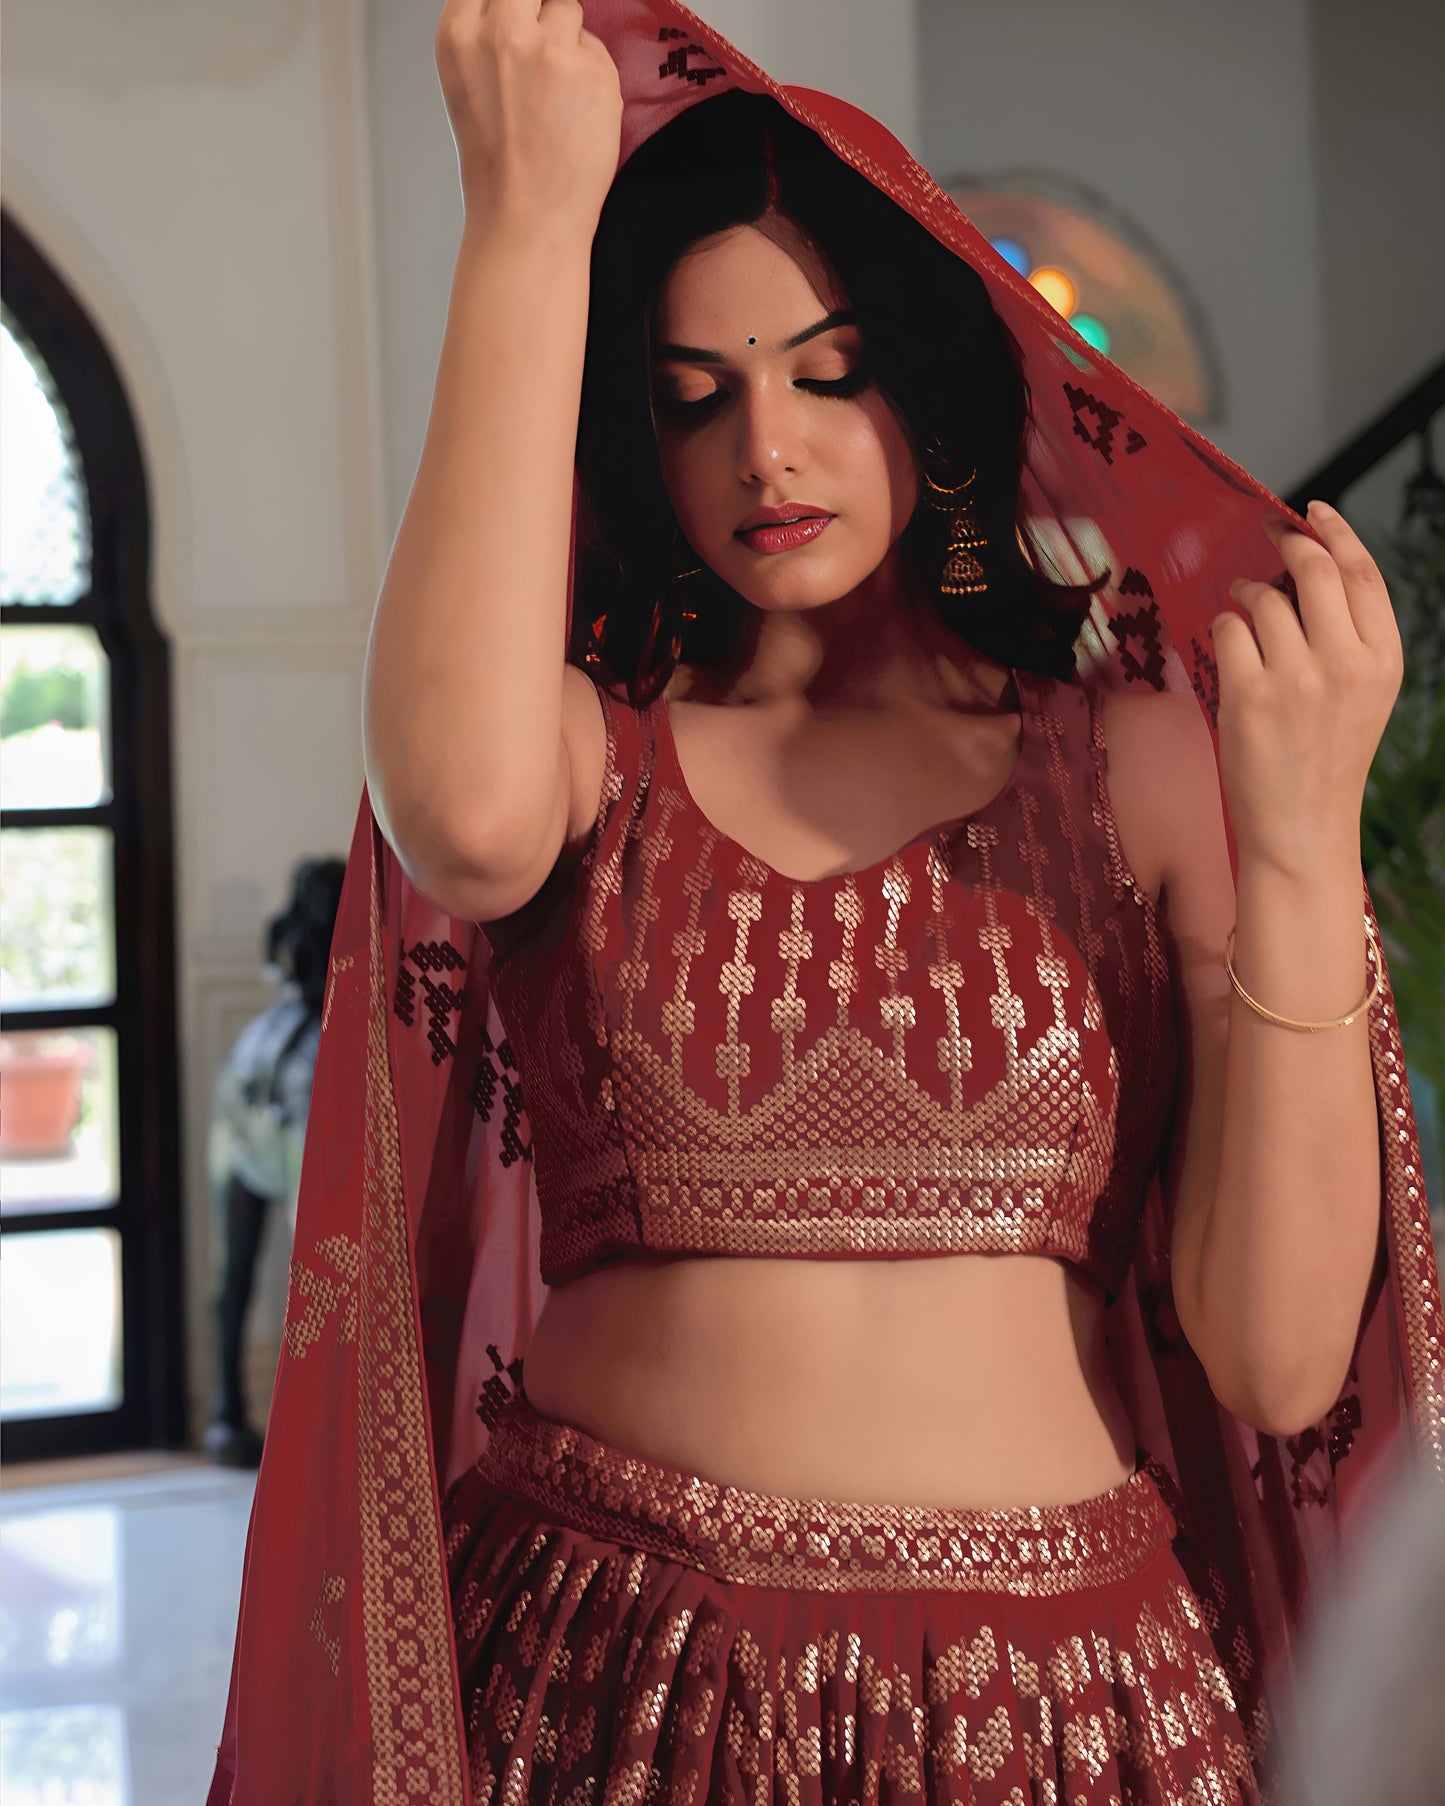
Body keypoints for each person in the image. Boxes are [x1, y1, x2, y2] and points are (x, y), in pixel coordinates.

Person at [206, 3, 1445, 1802]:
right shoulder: (590, 759)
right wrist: (525, 219)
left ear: (930, 382)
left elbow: (1267, 1356)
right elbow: (457, 822)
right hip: (605, 1667)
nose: (764, 452)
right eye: (692, 398)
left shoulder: (1139, 770)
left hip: (1055, 1713)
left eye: (825, 371)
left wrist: (1309, 833)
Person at [202, 856, 345, 1466]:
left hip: (265, 1069)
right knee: (289, 1267)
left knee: (252, 1269)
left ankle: (236, 1411)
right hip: (291, 1078)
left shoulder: (291, 932)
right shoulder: (303, 929)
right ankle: (237, 1410)